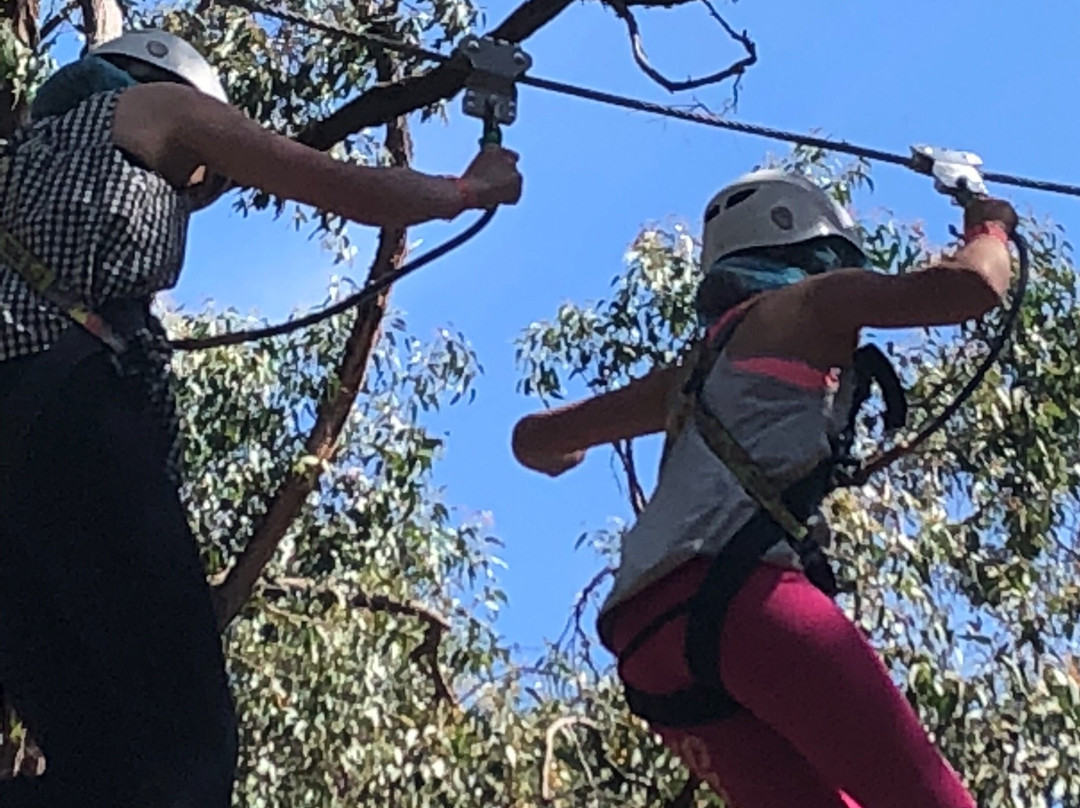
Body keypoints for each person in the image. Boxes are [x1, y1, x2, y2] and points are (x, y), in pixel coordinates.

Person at [0, 28, 522, 808]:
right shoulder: (155, 106)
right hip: (71, 409)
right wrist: (464, 190)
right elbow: (337, 183)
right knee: (187, 753)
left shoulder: (15, 165)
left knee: (98, 766)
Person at [512, 168, 1018, 808]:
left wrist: (568, 449)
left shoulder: (695, 369)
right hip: (747, 601)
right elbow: (971, 286)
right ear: (819, 249)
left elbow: (534, 439)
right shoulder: (817, 301)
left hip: (647, 637)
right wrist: (990, 224)